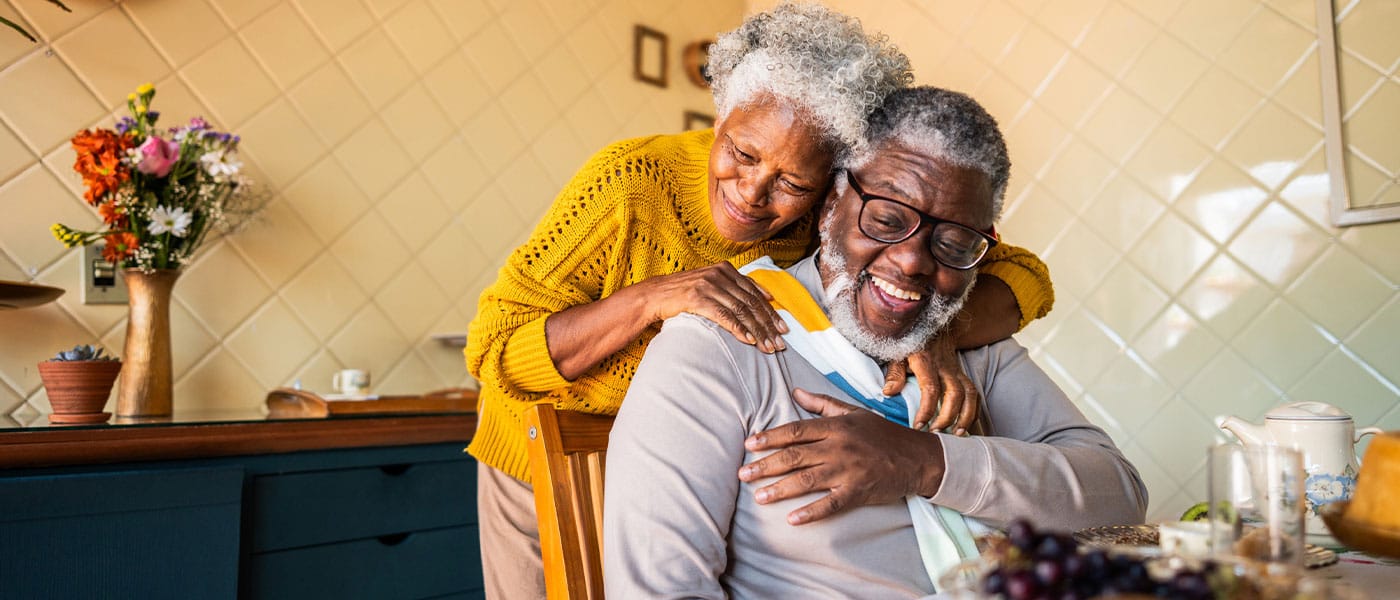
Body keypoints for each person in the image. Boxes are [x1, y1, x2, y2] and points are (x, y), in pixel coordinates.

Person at [464, 5, 1055, 597]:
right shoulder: (629, 182)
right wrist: (651, 300)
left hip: (686, 463)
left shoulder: (833, 220)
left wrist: (933, 332)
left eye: (793, 183)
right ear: (721, 115)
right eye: (742, 154)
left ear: (833, 191)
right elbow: (495, 353)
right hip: (540, 458)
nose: (751, 193)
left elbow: (1023, 277)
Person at [602, 86, 1148, 598]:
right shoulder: (718, 348)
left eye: (954, 241)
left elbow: (1119, 496)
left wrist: (924, 462)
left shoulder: (964, 344)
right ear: (830, 206)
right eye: (887, 218)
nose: (912, 260)